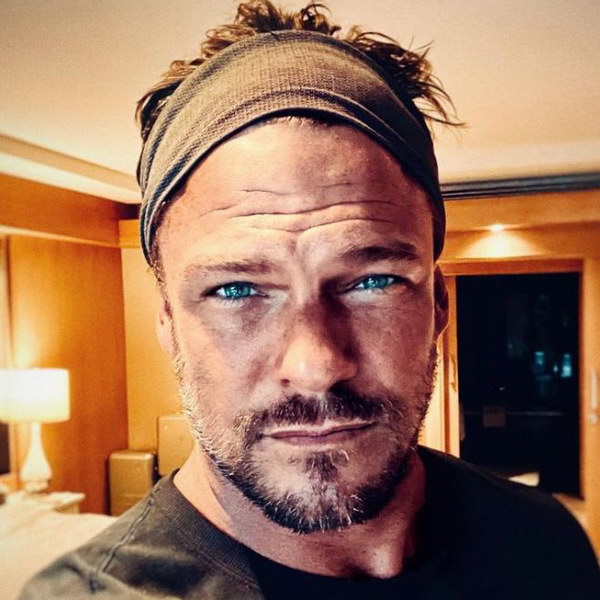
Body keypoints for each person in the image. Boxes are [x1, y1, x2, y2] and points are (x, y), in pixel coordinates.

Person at [20, 1, 600, 598]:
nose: (316, 364)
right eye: (236, 290)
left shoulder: (544, 539)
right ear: (168, 322)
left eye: (373, 281)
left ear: (438, 305)